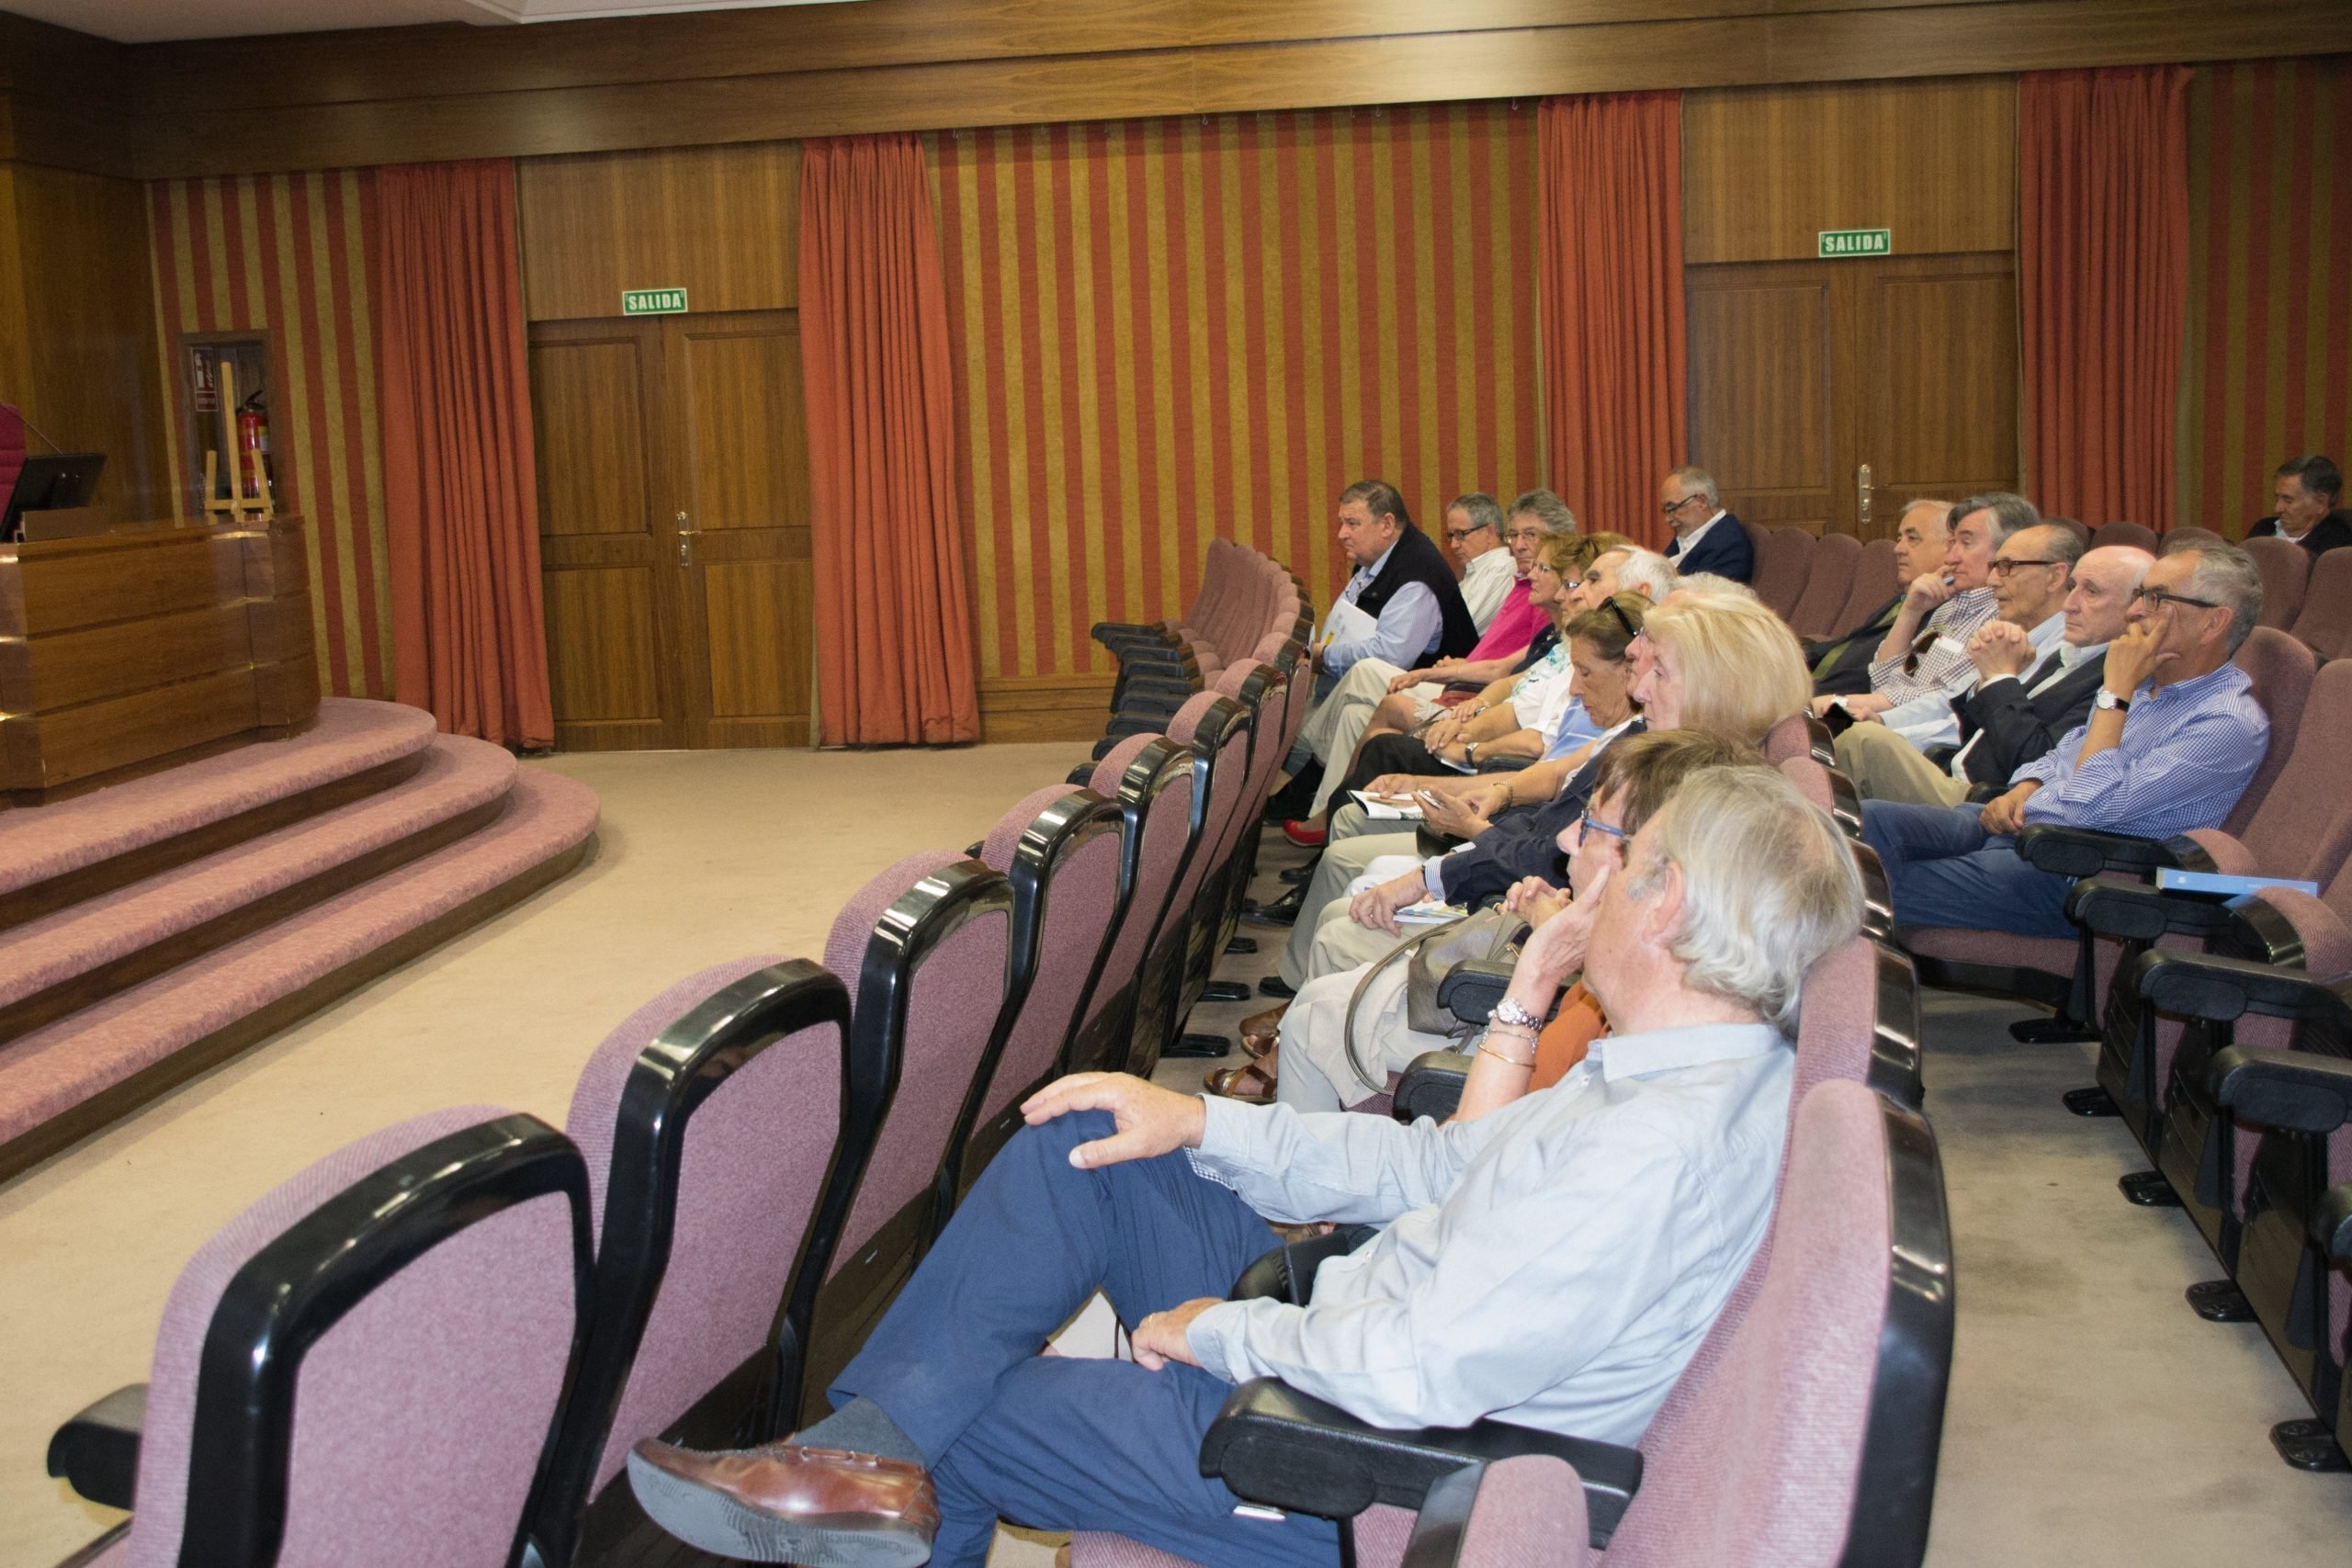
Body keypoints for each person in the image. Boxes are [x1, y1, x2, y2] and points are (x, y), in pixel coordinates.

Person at [628, 767, 1864, 1568]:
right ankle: (862, 1450)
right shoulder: (1666, 1071)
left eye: (1626, 859)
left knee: (974, 1420)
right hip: (1351, 1324)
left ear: (1667, 905)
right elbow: (1435, 1165)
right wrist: (1200, 1122)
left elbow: (1419, 1370)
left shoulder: (1654, 1149)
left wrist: (1219, 1332)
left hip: (1356, 1465)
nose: (1593, 878)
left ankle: (879, 1467)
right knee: (1085, 1140)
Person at [1275, 592, 1812, 996]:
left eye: (1658, 672)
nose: (1639, 688)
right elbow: (1552, 821)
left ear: (1715, 686)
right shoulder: (1653, 741)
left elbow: (1559, 868)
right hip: (1529, 911)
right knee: (1347, 919)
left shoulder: (1691, 789)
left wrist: (1450, 867)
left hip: (1538, 951)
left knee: (1338, 944)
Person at [1261, 729, 1763, 1116]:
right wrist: (1554, 927)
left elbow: (1472, 1152)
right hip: (1500, 1104)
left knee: (1313, 1015)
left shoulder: (1633, 1043)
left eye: (1590, 824)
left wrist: (1542, 964)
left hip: (1488, 1114)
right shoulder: (1656, 986)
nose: (1564, 839)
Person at [1861, 541, 2269, 939]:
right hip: (2021, 830)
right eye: (2140, 595)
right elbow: (2064, 752)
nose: (2134, 611)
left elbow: (2089, 807)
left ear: (2213, 623)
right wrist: (2027, 785)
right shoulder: (2144, 686)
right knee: (1868, 820)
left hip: (2076, 871)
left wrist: (2115, 693)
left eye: (2156, 599)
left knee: (1864, 889)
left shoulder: (2226, 722)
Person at [1279, 492, 1573, 824]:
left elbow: (1508, 680)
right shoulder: (1525, 586)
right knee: (1354, 714)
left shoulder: (1537, 599)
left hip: (1475, 704)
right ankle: (1326, 814)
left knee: (1368, 675)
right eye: (1514, 535)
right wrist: (1454, 671)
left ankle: (1297, 761)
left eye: (1530, 535)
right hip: (1471, 692)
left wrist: (1455, 689)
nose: (1518, 545)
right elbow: (1506, 671)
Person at [1838, 540, 2150, 807]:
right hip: (1953, 769)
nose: (2069, 604)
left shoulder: (2116, 679)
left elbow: (2036, 762)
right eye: (2073, 588)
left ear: (2136, 608)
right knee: (1847, 741)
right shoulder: (2070, 653)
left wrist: (2000, 678)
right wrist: (1990, 681)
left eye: (2091, 591)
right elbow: (1966, 721)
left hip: (1990, 801)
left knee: (1860, 742)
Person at [1832, 522, 2084, 793]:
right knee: (1841, 735)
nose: (1993, 580)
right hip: (1951, 768)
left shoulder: (2068, 654)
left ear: (2055, 577)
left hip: (1985, 792)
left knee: (1855, 742)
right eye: (1995, 567)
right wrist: (1885, 722)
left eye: (2007, 567)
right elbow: (1951, 700)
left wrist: (1888, 731)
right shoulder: (2010, 633)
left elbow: (2016, 745)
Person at [1815, 491, 2032, 728]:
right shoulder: (1949, 606)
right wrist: (1911, 610)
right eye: (1953, 544)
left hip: (1907, 731)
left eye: (1966, 543)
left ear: (2006, 551)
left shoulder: (2001, 618)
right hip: (1876, 717)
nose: (1951, 557)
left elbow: (1944, 700)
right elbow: (1881, 678)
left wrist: (1838, 703)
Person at [1309, 479, 1479, 689]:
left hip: (1435, 695)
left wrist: (1323, 657)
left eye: (1352, 524)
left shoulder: (1417, 577)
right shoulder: (1373, 560)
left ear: (1387, 525)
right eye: (1341, 523)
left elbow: (1387, 659)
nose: (1341, 534)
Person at [1809, 501, 1953, 695]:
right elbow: (1850, 645)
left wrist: (1804, 694)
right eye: (1899, 538)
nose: (1898, 549)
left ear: (1950, 548)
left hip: (1839, 701)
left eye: (1912, 538)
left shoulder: (1943, 613)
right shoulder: (1904, 598)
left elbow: (1872, 679)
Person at [1657, 466, 1753, 581]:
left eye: (1673, 508)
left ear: (1701, 502)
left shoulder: (1729, 543)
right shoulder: (1690, 533)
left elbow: (1706, 591)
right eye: (1666, 510)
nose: (1667, 519)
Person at [1444, 491, 1521, 632]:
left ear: (1490, 532)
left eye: (1460, 534)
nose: (1453, 545)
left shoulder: (1501, 570)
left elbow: (1460, 630)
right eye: (1451, 535)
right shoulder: (1476, 571)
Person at [2246, 455, 2351, 557]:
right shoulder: (2263, 528)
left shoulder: (2340, 547)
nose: (2277, 508)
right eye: (2277, 498)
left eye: (2288, 500)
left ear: (2320, 503)